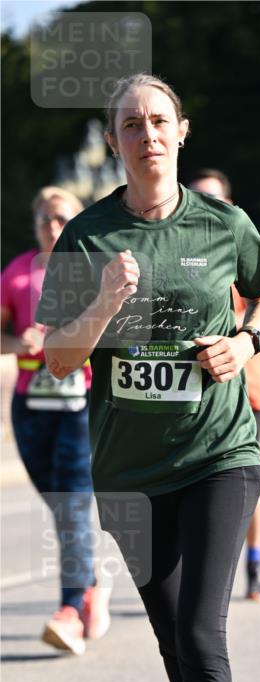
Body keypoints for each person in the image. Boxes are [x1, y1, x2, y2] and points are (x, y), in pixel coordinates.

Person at [38, 74, 260, 682]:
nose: (146, 133)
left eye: (158, 120)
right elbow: (62, 358)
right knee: (177, 645)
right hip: (129, 477)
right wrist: (104, 306)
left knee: (205, 636)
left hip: (219, 454)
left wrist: (246, 340)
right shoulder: (87, 237)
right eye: (129, 124)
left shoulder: (224, 224)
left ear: (180, 132)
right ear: (112, 142)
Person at [1, 186, 111, 655]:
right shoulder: (16, 274)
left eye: (61, 217)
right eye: (45, 218)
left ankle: (69, 610)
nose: (52, 226)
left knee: (70, 507)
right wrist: (16, 342)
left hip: (77, 406)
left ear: (76, 221)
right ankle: (92, 582)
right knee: (63, 506)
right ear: (35, 223)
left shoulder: (93, 272)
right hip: (30, 408)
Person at [188, 167, 260, 603]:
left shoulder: (237, 246)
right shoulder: (178, 256)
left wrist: (240, 333)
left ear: (228, 205)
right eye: (195, 197)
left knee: (241, 482)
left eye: (213, 198)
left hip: (248, 391)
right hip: (196, 393)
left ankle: (254, 558)